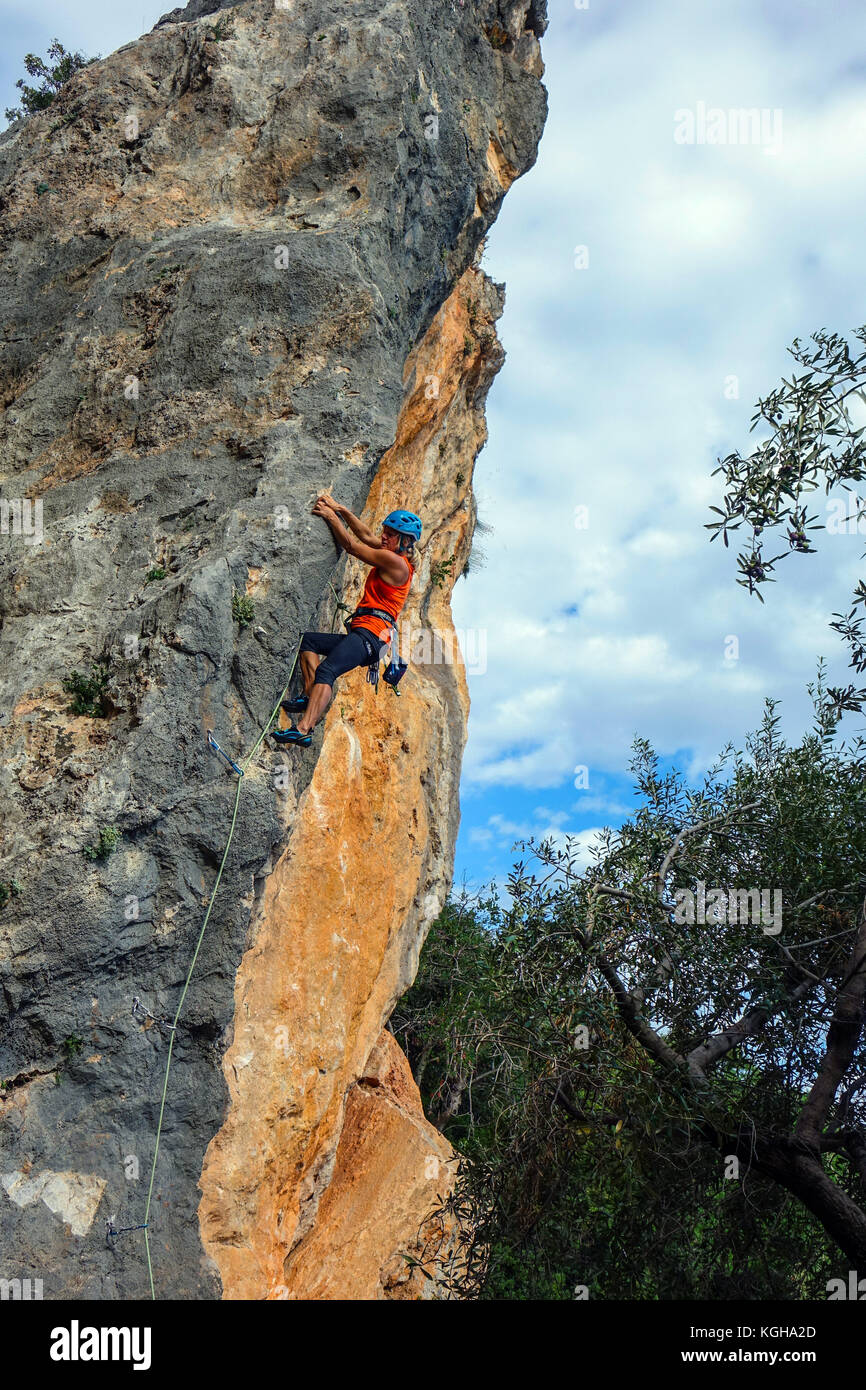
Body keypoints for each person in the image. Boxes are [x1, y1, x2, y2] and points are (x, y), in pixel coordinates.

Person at [273, 495, 422, 746]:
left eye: (390, 534)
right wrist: (340, 509)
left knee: (327, 670)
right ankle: (309, 696)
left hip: (372, 636)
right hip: (364, 634)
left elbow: (352, 547)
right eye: (384, 532)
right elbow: (364, 535)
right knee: (308, 641)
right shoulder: (391, 551)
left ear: (404, 541)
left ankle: (303, 730)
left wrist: (331, 518)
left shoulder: (396, 562)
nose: (383, 537)